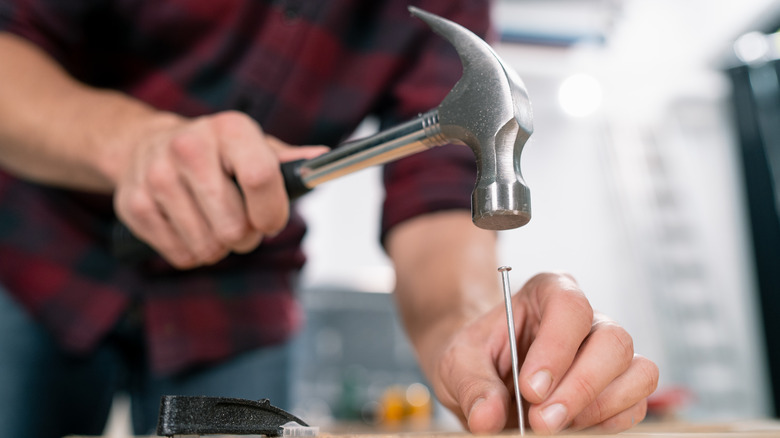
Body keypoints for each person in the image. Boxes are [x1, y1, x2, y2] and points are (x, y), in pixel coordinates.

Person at [0, 0, 658, 436]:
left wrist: (478, 336)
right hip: (37, 254)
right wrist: (132, 144)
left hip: (241, 293)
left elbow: (434, 200)